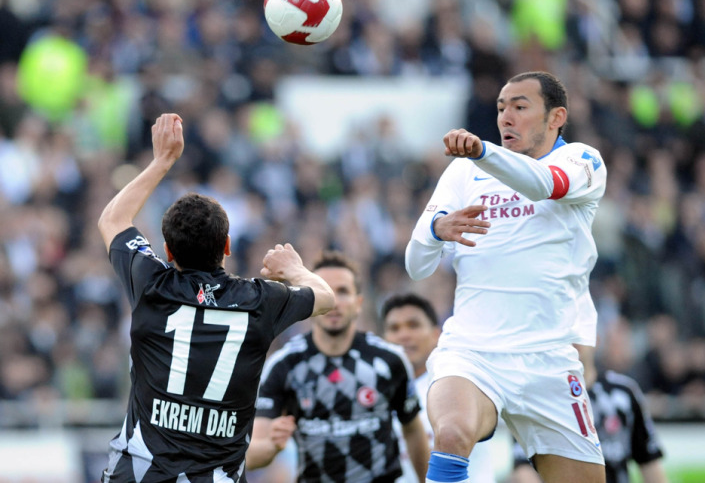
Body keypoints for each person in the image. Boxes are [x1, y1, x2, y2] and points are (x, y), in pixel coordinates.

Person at [97, 113, 335, 482]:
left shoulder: (149, 283)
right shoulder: (261, 300)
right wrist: (294, 268)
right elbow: (326, 297)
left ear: (168, 251)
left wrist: (162, 162)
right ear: (226, 245)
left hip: (137, 473)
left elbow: (113, 219)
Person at [405, 71, 608, 483]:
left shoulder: (582, 160)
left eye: (519, 106)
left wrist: (481, 152)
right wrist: (433, 231)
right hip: (472, 352)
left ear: (556, 117)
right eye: (500, 108)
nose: (505, 118)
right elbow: (416, 265)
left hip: (549, 359)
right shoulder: (464, 173)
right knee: (451, 431)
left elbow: (542, 184)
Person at [246, 250, 430, 482]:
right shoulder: (284, 365)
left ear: (359, 303)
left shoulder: (389, 360)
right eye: (326, 290)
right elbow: (252, 456)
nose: (334, 300)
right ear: (310, 299)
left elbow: (413, 430)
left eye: (343, 291)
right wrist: (272, 446)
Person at [381, 293, 497, 483]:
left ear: (437, 334)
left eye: (413, 325)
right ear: (384, 339)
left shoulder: (464, 384)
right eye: (394, 328)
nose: (404, 335)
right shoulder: (375, 393)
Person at [510, 345, 668, 483]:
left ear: (596, 339)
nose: (573, 339)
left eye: (579, 332)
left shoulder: (623, 393)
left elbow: (649, 462)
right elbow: (524, 472)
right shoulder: (538, 399)